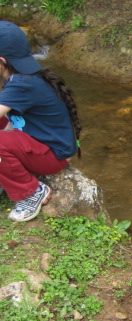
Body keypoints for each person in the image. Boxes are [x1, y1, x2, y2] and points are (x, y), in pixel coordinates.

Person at [0, 21, 81, 222]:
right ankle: (7, 177)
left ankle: (32, 192)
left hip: (51, 156)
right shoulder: (23, 77)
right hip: (40, 144)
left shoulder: (22, 84)